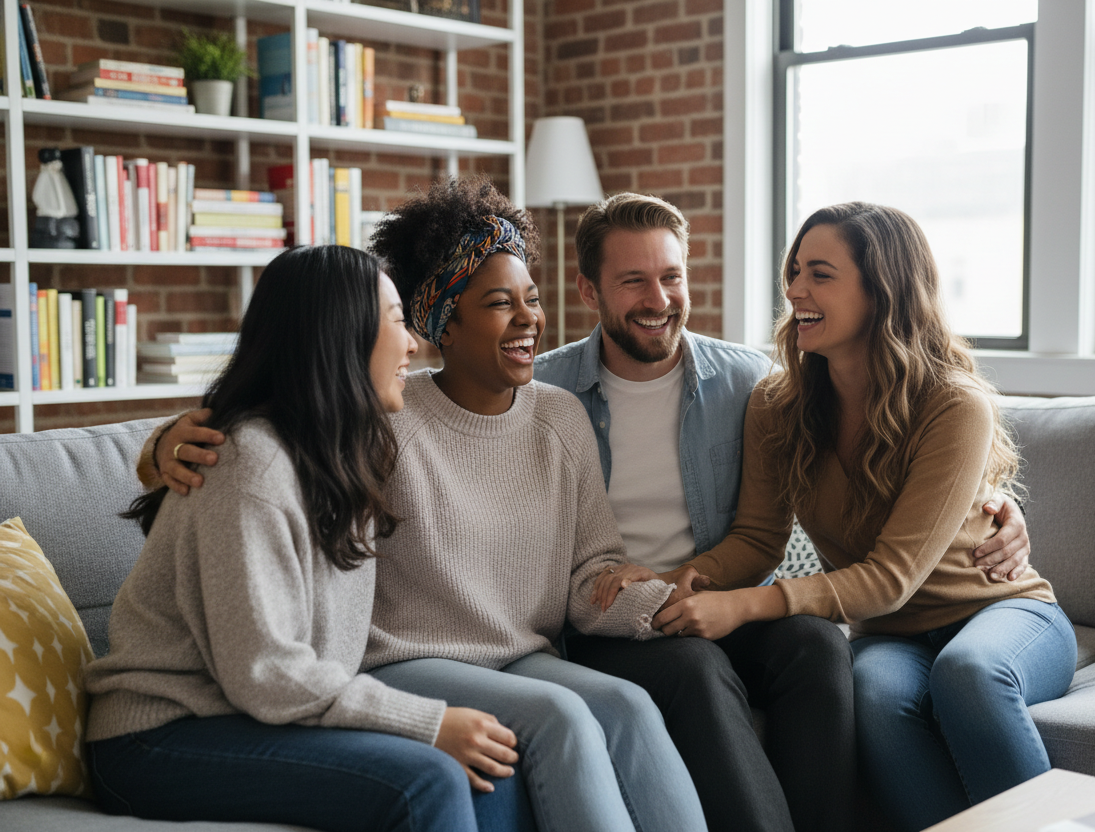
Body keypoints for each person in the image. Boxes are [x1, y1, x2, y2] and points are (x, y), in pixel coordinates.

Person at [135, 179, 709, 832]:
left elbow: (592, 571)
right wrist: (160, 446)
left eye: (532, 299)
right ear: (442, 324)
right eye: (394, 322)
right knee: (560, 718)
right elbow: (259, 422)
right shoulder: (355, 431)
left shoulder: (536, 416)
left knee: (627, 706)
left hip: (506, 654)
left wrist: (673, 601)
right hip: (379, 666)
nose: (407, 343)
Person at [536, 193, 1036, 832]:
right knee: (743, 670)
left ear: (882, 290)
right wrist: (671, 583)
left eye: (671, 276)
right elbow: (760, 535)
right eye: (632, 281)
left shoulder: (743, 380)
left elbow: (922, 526)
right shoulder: (546, 396)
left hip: (942, 603)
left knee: (823, 648)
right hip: (628, 616)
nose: (658, 300)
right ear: (588, 289)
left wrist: (1006, 507)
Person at [85, 245, 533, 832]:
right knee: (431, 775)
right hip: (158, 736)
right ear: (338, 335)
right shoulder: (251, 465)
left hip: (255, 715)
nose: (414, 345)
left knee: (488, 762)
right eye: (397, 321)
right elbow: (267, 674)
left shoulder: (344, 451)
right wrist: (427, 722)